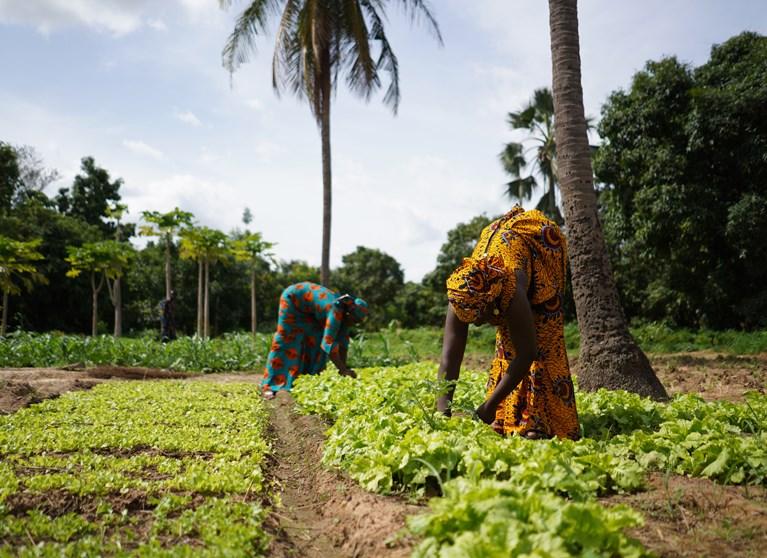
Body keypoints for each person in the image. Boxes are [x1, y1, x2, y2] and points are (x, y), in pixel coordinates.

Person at [436, 206, 580, 440]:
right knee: (506, 341)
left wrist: (487, 408)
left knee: (544, 338)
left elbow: (528, 353)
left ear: (488, 300)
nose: (479, 325)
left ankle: (540, 421)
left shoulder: (512, 290)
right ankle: (507, 415)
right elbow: (449, 357)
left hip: (542, 244)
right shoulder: (462, 294)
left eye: (479, 318)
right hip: (502, 242)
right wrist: (442, 412)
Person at [262, 281, 369, 399]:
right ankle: (270, 385)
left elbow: (343, 343)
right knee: (287, 340)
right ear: (349, 314)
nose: (355, 324)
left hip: (310, 311)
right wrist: (343, 370)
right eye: (355, 321)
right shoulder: (335, 310)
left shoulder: (344, 316)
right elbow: (328, 344)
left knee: (315, 340)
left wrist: (344, 370)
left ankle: (305, 380)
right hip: (293, 300)